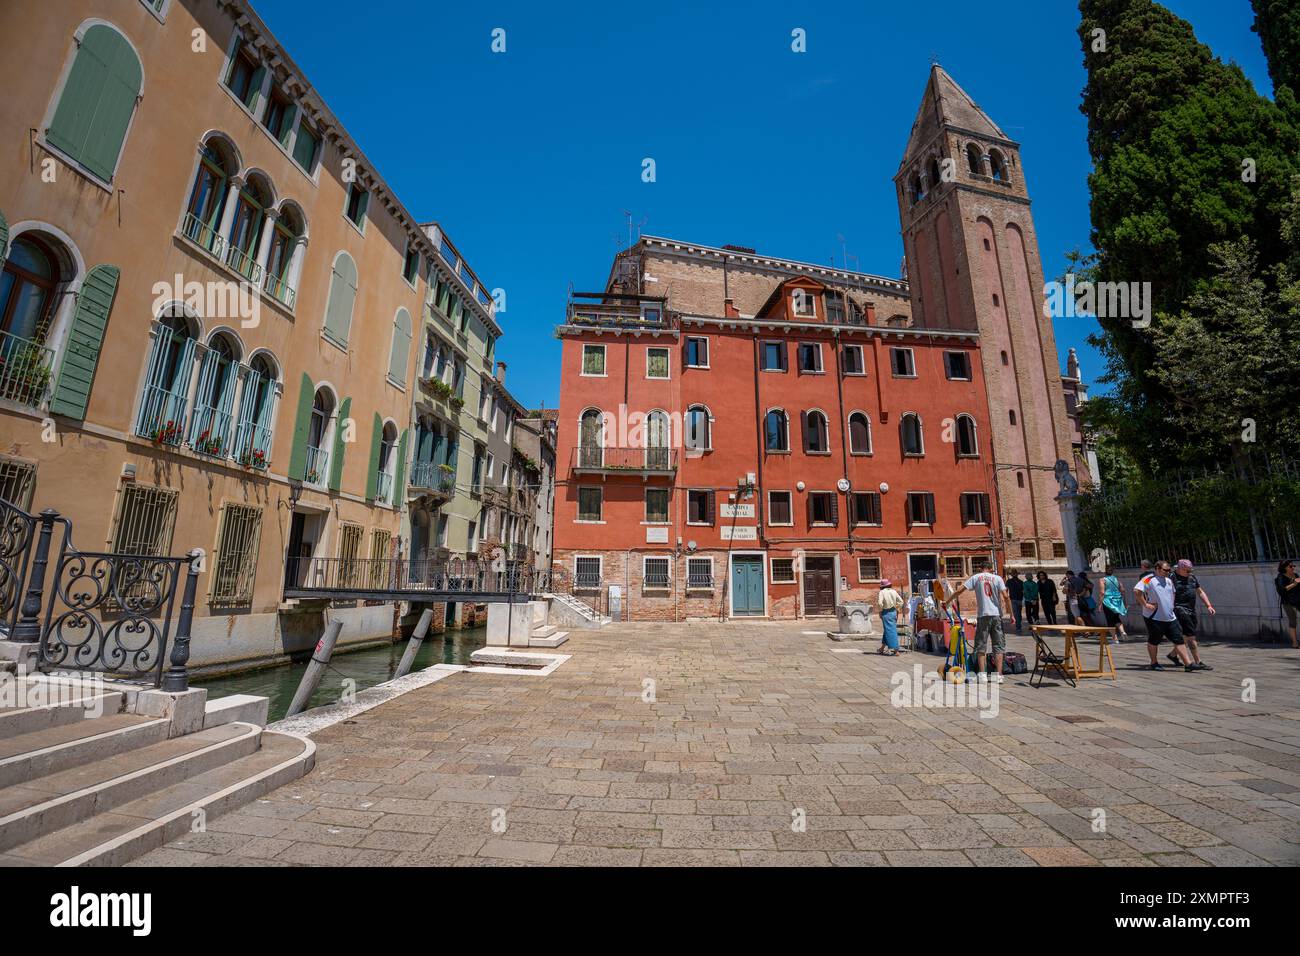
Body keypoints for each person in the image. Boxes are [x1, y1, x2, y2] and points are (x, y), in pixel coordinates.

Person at [945, 559, 1012, 683]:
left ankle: (982, 675)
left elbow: (960, 590)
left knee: (981, 646)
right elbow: (1006, 596)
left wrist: (948, 601)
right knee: (998, 646)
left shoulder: (976, 577)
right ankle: (999, 675)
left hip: (983, 615)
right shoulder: (997, 578)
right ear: (991, 568)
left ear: (980, 568)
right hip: (996, 615)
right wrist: (1011, 614)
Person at [1135, 560, 1194, 671]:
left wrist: (1171, 607)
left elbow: (1172, 594)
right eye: (1165, 570)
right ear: (1157, 569)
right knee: (1154, 640)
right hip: (1154, 617)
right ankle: (1154, 662)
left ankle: (1188, 664)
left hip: (1170, 616)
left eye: (1169, 570)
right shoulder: (1149, 578)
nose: (1168, 572)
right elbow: (1137, 591)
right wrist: (1145, 604)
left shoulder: (1169, 580)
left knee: (1179, 639)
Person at [1171, 559, 1214, 670]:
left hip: (1191, 609)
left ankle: (1173, 655)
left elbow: (1200, 592)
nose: (1189, 572)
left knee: (1185, 636)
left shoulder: (1192, 577)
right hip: (1179, 608)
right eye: (1187, 570)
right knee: (1191, 636)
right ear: (1180, 569)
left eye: (1190, 570)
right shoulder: (1172, 577)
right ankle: (1197, 661)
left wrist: (1209, 605)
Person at [877, 578, 905, 656]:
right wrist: (897, 609)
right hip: (893, 612)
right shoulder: (894, 591)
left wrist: (880, 611)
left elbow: (880, 603)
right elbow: (901, 602)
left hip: (886, 613)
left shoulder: (882, 592)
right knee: (888, 629)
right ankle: (882, 648)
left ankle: (896, 650)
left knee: (890, 630)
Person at [1099, 565, 1128, 641]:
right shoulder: (1116, 579)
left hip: (1108, 601)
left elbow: (1102, 592)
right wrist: (1124, 602)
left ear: (1105, 571)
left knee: (1109, 620)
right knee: (1116, 618)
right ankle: (1123, 632)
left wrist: (1100, 604)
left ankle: (1114, 638)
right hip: (1117, 601)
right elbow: (1123, 590)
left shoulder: (1102, 580)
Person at [1276, 560, 1300, 649]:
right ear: (1285, 567)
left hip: (1298, 600)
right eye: (1290, 566)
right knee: (1293, 621)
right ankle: (1294, 642)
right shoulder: (1281, 577)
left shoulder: (1296, 575)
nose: (1293, 567)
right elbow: (1281, 590)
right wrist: (1295, 583)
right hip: (1288, 602)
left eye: (1293, 566)